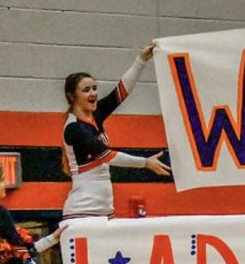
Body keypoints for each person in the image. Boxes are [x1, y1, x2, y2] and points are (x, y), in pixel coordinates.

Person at [62, 42, 170, 220]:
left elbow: (121, 92)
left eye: (95, 88)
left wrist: (141, 60)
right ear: (71, 96)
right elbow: (107, 156)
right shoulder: (74, 128)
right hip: (83, 209)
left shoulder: (95, 115)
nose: (93, 93)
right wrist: (145, 163)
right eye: (86, 90)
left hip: (104, 208)